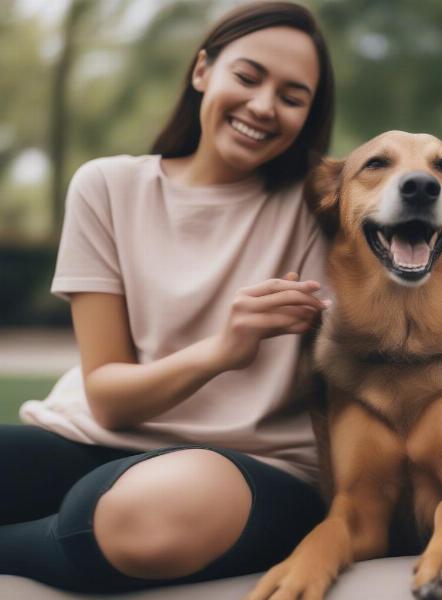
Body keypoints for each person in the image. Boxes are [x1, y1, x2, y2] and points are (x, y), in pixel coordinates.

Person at [0, 1, 335, 593]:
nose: (262, 106)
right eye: (248, 76)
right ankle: (72, 531)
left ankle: (64, 536)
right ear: (202, 70)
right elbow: (108, 400)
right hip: (93, 440)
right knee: (94, 502)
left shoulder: (326, 204)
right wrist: (224, 350)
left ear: (309, 115)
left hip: (251, 469)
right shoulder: (107, 187)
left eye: (292, 95)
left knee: (134, 521)